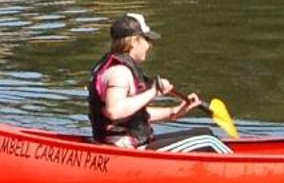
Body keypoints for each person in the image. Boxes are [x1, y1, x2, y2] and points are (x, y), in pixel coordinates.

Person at [88, 12, 227, 152]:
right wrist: (154, 91)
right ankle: (243, 171)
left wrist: (174, 112)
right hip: (128, 152)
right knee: (210, 141)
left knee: (205, 132)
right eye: (147, 40)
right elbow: (114, 111)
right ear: (134, 41)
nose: (150, 45)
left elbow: (134, 115)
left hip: (135, 147)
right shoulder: (119, 72)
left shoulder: (121, 68)